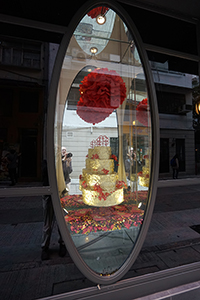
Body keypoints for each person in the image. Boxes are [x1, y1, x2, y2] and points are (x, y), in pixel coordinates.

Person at [41, 160, 67, 260]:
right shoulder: (46, 161)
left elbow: (67, 173)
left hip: (60, 194)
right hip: (48, 194)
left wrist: (65, 162)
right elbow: (45, 174)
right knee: (47, 223)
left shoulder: (62, 162)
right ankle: (45, 247)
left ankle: (63, 244)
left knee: (61, 223)